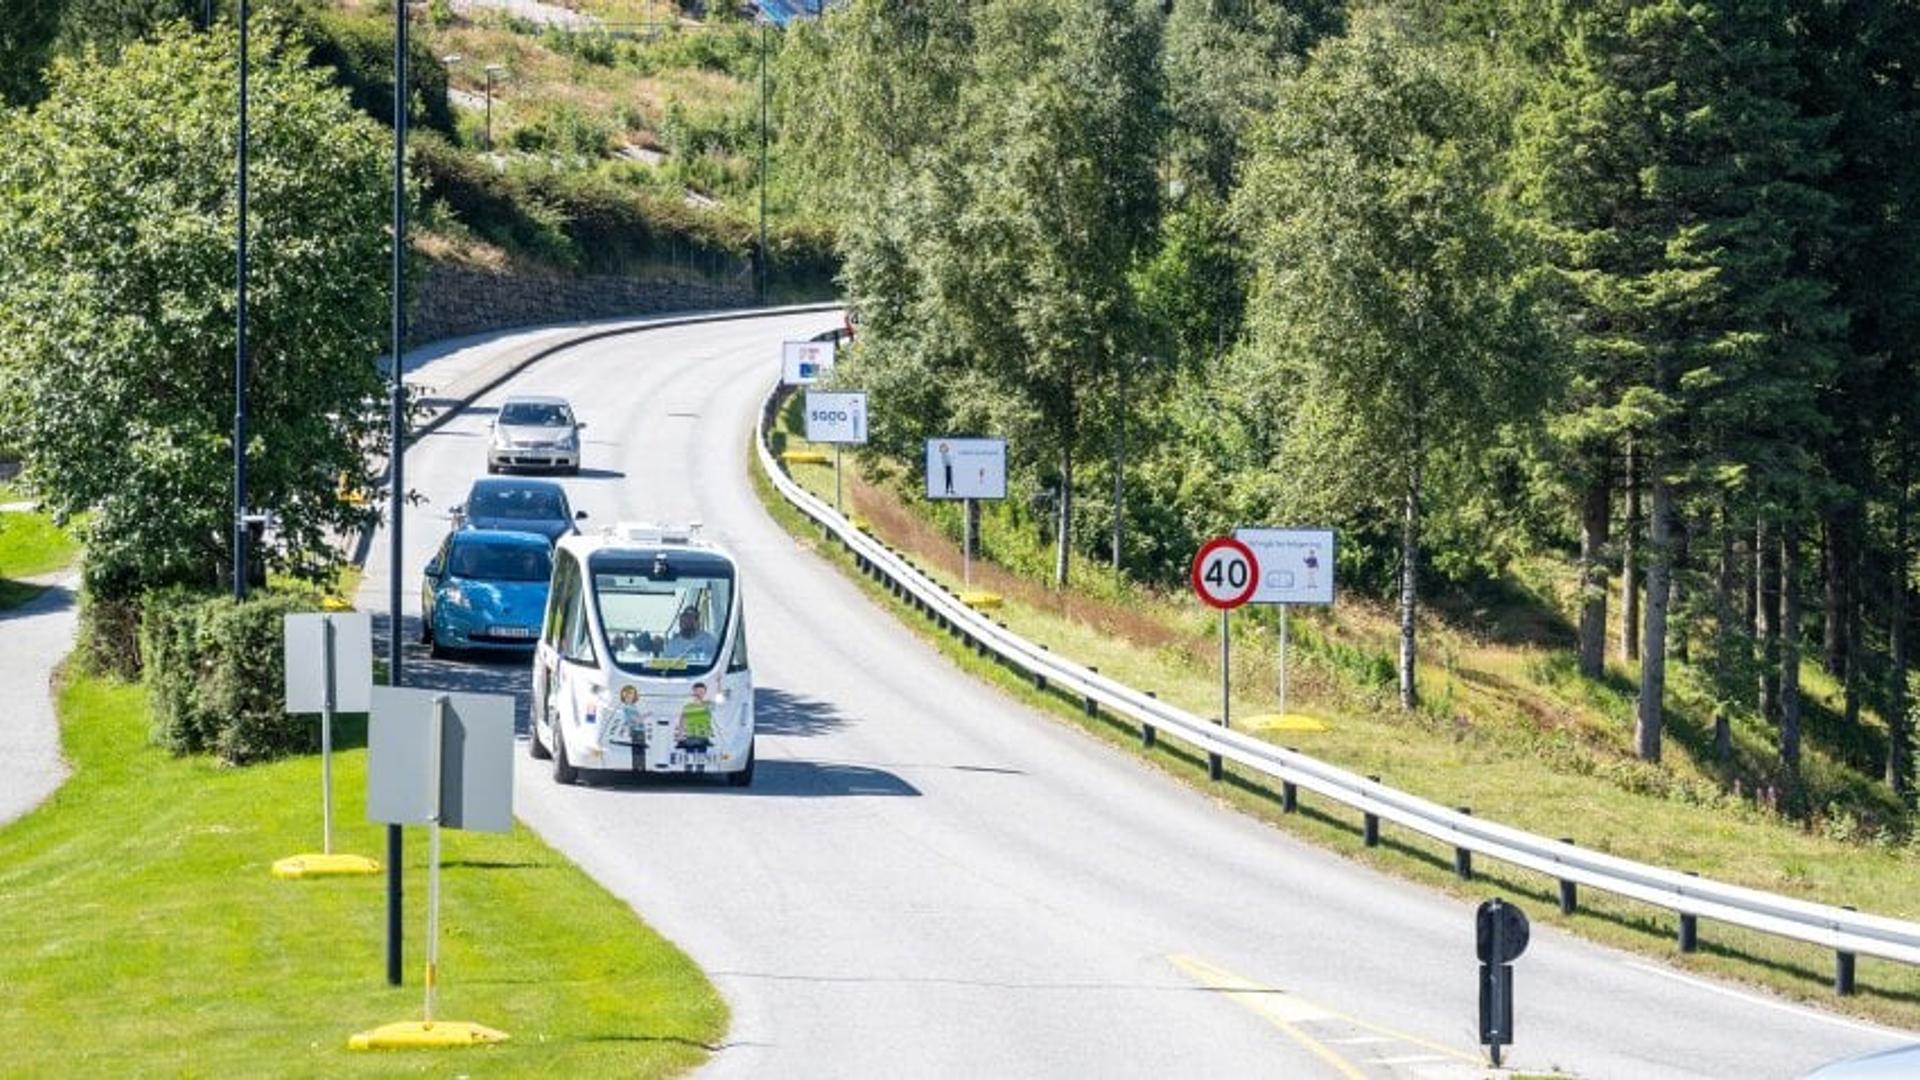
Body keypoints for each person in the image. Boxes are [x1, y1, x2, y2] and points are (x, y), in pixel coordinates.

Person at [678, 681, 714, 750]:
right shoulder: (687, 707)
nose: (700, 694)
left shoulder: (708, 705)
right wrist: (680, 737)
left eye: (702, 692)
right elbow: (681, 723)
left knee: (702, 758)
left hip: (704, 738)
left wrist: (719, 682)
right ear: (694, 692)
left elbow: (720, 700)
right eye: (698, 691)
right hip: (691, 737)